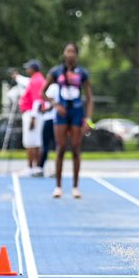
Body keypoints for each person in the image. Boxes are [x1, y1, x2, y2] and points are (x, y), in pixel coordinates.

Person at [46, 42, 93, 199]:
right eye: (68, 51)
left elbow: (90, 97)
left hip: (77, 112)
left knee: (75, 148)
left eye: (73, 51)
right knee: (60, 148)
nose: (70, 54)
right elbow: (42, 92)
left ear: (77, 54)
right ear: (64, 53)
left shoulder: (82, 73)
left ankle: (75, 187)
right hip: (62, 112)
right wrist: (55, 104)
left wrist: (88, 119)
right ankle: (58, 186)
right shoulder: (56, 72)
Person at [19, 59, 46, 176]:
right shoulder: (38, 79)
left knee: (30, 142)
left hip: (32, 114)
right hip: (34, 114)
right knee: (35, 142)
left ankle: (31, 168)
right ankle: (36, 167)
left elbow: (37, 100)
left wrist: (33, 118)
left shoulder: (36, 81)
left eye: (28, 68)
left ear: (33, 68)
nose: (27, 70)